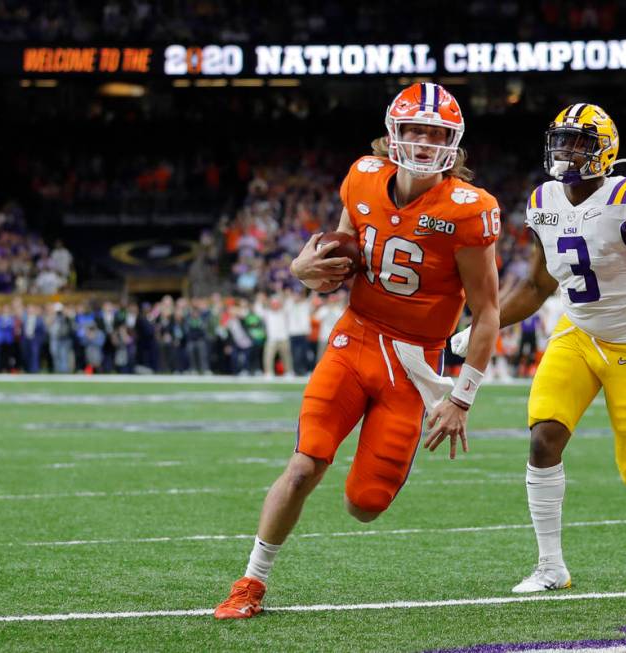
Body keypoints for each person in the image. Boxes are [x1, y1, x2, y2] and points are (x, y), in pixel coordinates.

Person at [214, 83, 500, 619]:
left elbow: (486, 313)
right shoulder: (363, 175)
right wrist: (303, 270)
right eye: (412, 129)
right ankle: (250, 582)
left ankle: (373, 468)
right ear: (392, 133)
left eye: (434, 132)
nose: (421, 141)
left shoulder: (470, 209)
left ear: (452, 143)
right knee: (304, 465)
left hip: (413, 363)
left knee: (364, 504)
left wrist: (461, 398)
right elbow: (339, 256)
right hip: (356, 337)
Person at [451, 103, 626, 594]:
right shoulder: (543, 200)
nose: (567, 151)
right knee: (542, 437)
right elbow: (536, 287)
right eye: (562, 140)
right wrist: (482, 327)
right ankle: (551, 566)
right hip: (576, 335)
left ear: (605, 150)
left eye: (580, 142)